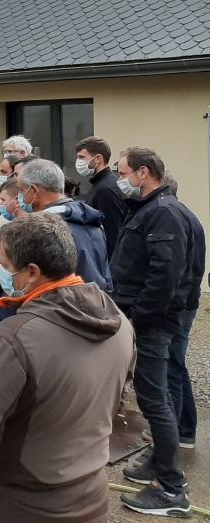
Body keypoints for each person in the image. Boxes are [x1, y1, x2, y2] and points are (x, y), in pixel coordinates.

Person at [0, 213, 136, 522]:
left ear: (33, 272)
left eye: (7, 267)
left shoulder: (13, 339)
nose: (3, 274)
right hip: (90, 495)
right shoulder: (118, 323)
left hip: (19, 504)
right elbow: (119, 401)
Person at [111, 147, 198, 515]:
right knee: (154, 397)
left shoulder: (163, 214)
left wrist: (140, 319)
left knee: (155, 399)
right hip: (146, 320)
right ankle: (159, 464)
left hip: (152, 324)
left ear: (143, 173)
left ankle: (171, 490)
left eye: (123, 172)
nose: (121, 179)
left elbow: (165, 276)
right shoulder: (151, 210)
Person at [16, 159, 112, 292]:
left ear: (34, 190)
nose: (20, 197)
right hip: (96, 302)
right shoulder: (90, 218)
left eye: (21, 191)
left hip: (64, 307)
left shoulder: (43, 229)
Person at [163, 176, 205, 450]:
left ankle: (179, 431)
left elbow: (180, 270)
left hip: (179, 306)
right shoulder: (187, 215)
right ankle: (184, 428)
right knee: (176, 365)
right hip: (186, 302)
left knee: (173, 367)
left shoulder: (176, 219)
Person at [76, 136, 126, 257]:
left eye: (82, 157)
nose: (78, 162)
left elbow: (110, 233)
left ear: (98, 158)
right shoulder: (102, 184)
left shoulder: (105, 189)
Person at [0, 180, 24, 328]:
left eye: (3, 200)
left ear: (17, 200)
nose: (1, 204)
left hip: (10, 300)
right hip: (1, 296)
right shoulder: (9, 224)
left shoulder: (24, 232)